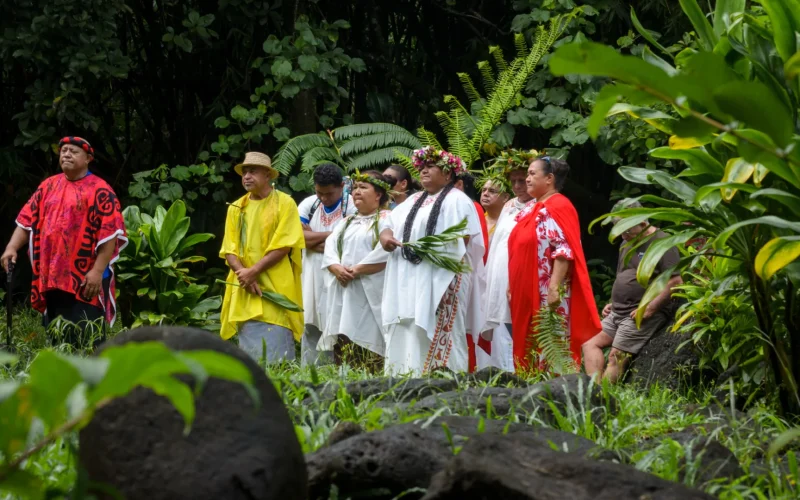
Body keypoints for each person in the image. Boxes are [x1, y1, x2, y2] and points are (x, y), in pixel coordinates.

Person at [1, 136, 127, 347]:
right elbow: (25, 221)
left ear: (88, 158)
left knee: (87, 338)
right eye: (64, 151)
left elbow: (110, 235)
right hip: (52, 275)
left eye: (73, 151)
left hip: (87, 278)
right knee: (58, 337)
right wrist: (12, 247)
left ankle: (93, 378)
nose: (67, 154)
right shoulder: (48, 186)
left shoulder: (101, 190)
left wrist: (97, 272)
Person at [379, 147, 485, 376]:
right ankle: (404, 376)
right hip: (410, 277)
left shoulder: (458, 200)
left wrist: (433, 262)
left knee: (442, 327)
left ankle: (443, 379)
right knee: (407, 325)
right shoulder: (415, 199)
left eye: (431, 168)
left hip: (443, 276)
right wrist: (386, 236)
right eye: (422, 168)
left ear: (448, 174)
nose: (424, 172)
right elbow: (388, 222)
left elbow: (463, 239)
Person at [508, 155, 601, 372]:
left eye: (532, 174)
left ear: (549, 178)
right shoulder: (533, 207)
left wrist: (553, 287)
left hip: (546, 289)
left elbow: (563, 250)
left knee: (550, 340)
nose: (527, 179)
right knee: (529, 339)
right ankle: (530, 387)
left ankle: (554, 390)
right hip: (526, 288)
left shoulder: (558, 205)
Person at [582, 200, 682, 383]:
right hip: (618, 311)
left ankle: (602, 400)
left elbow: (675, 281)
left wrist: (650, 308)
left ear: (643, 223)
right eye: (619, 231)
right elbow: (624, 276)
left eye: (626, 231)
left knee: (616, 356)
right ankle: (592, 393)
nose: (623, 236)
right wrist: (613, 303)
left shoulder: (662, 242)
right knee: (590, 342)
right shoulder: (626, 242)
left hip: (641, 312)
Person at [218, 152, 305, 363]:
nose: (247, 176)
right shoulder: (236, 207)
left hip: (275, 286)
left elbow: (284, 245)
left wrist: (252, 272)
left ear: (268, 175)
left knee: (277, 350)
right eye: (244, 172)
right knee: (251, 356)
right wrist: (244, 276)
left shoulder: (285, 203)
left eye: (253, 171)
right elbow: (229, 249)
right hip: (245, 287)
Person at [320, 171, 392, 366]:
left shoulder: (387, 219)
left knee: (370, 339)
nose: (357, 192)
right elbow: (331, 247)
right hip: (345, 288)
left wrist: (357, 270)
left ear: (378, 194)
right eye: (355, 188)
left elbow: (385, 253)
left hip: (372, 292)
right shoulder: (345, 222)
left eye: (364, 187)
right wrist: (335, 267)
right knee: (343, 334)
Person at [476, 149, 538, 372]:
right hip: (501, 277)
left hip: (522, 277)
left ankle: (528, 372)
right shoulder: (510, 205)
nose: (519, 185)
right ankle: (513, 371)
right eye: (514, 181)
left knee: (525, 329)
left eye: (523, 180)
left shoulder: (540, 206)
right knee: (506, 325)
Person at [298, 163, 356, 366]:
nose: (323, 198)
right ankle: (310, 371)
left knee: (339, 320)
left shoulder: (352, 206)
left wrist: (313, 237)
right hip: (311, 274)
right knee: (310, 320)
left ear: (342, 186)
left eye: (329, 194)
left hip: (338, 274)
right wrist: (333, 235)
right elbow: (297, 238)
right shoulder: (309, 204)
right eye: (319, 192)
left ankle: (341, 370)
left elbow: (349, 243)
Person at [453, 170, 489, 372]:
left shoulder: (471, 207)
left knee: (465, 324)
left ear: (458, 185)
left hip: (466, 271)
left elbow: (477, 246)